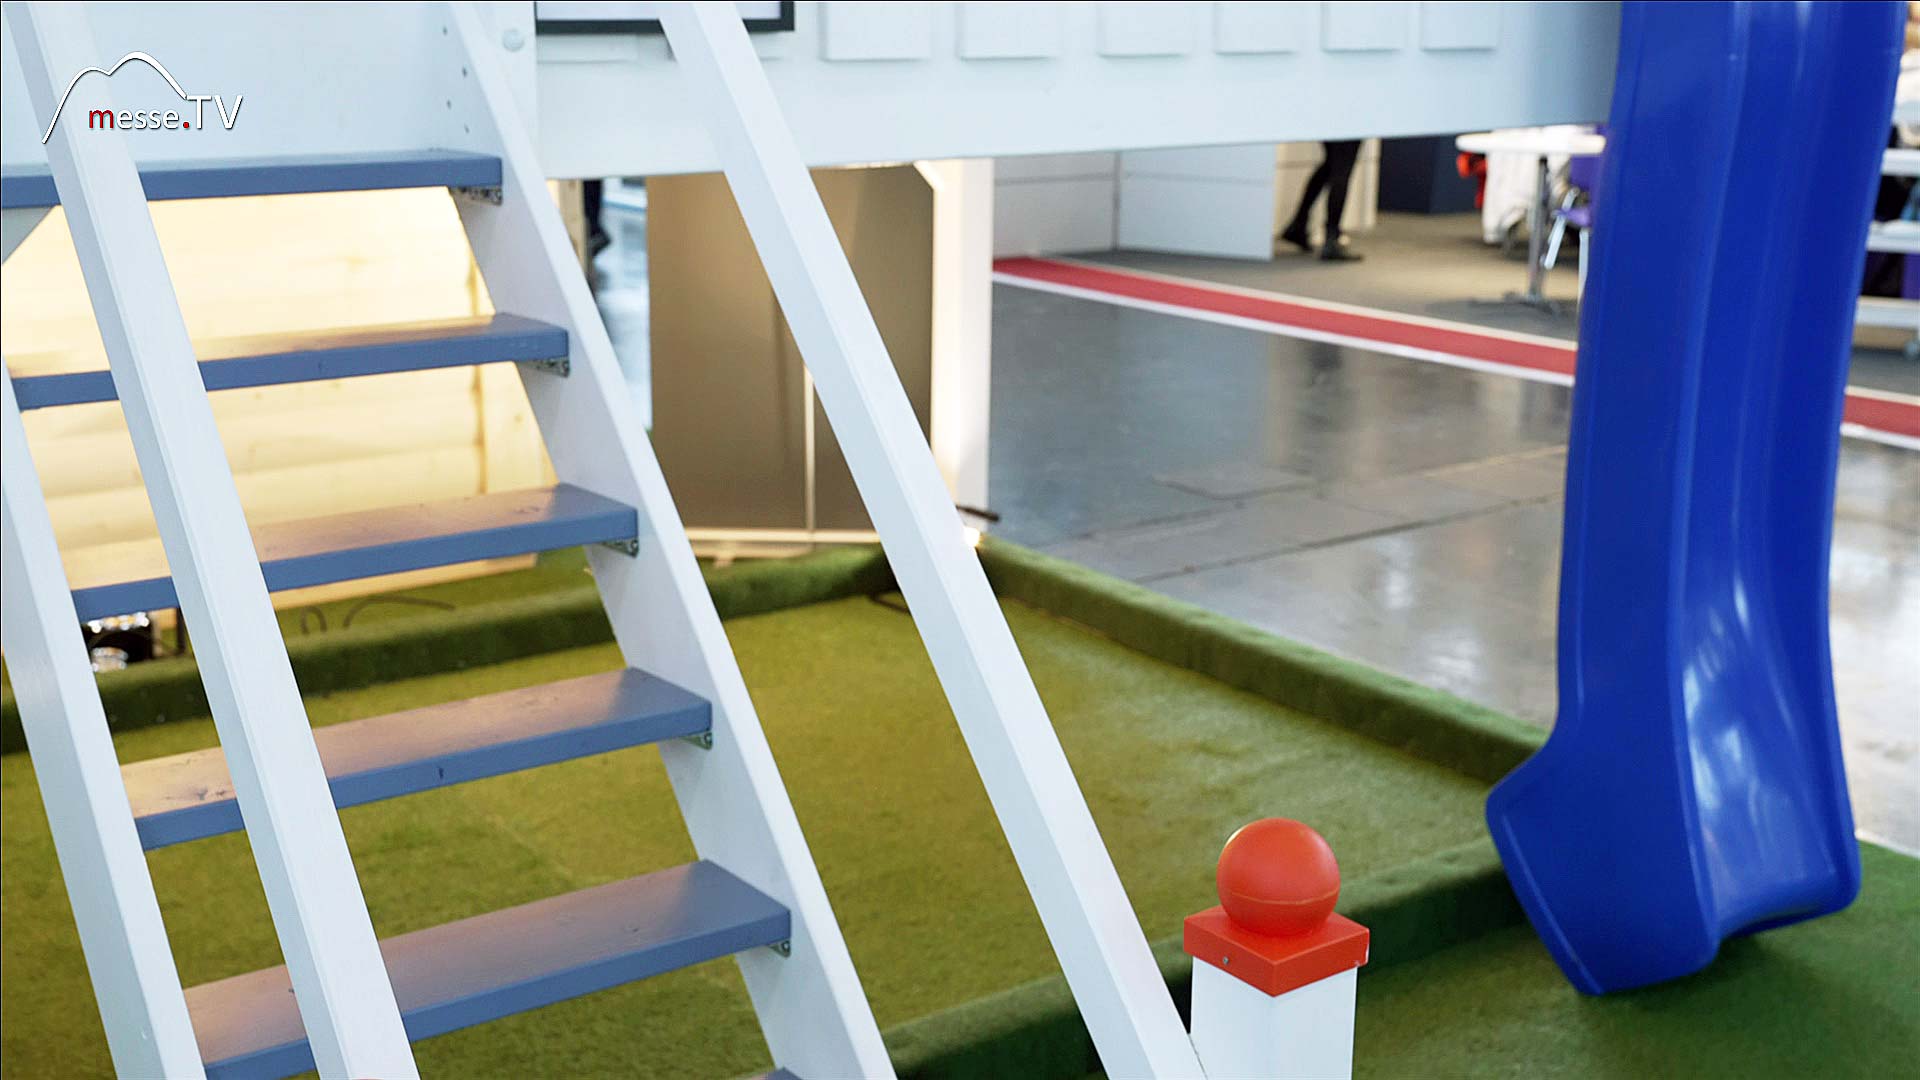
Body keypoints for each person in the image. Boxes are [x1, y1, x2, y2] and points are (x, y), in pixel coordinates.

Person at [1281, 140, 1364, 262]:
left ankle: (1299, 225)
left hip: (1328, 123)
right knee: (1342, 167)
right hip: (1347, 123)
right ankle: (1331, 239)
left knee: (1331, 164)